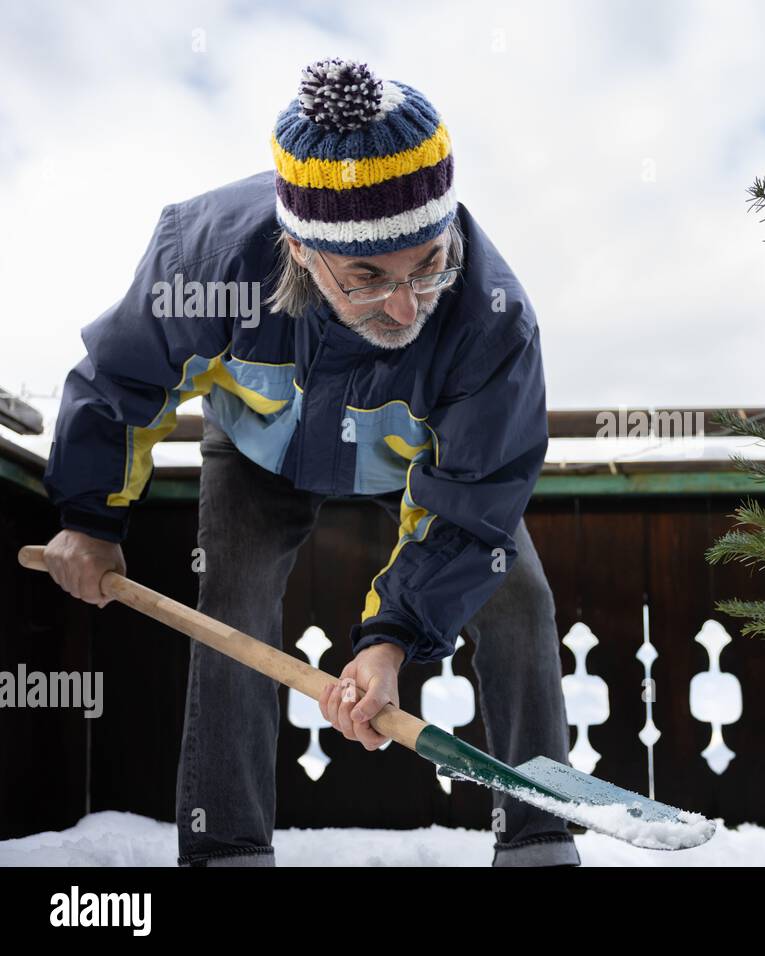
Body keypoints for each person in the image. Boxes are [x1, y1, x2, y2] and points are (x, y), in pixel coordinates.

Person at [39, 57, 580, 867]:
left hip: (411, 468)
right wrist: (88, 518)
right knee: (235, 593)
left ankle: (538, 837)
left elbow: (473, 500)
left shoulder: (488, 319)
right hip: (258, 452)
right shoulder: (207, 255)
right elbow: (120, 384)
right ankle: (227, 846)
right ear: (299, 250)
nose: (407, 305)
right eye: (367, 277)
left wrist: (391, 640)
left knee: (516, 591)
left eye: (428, 263)